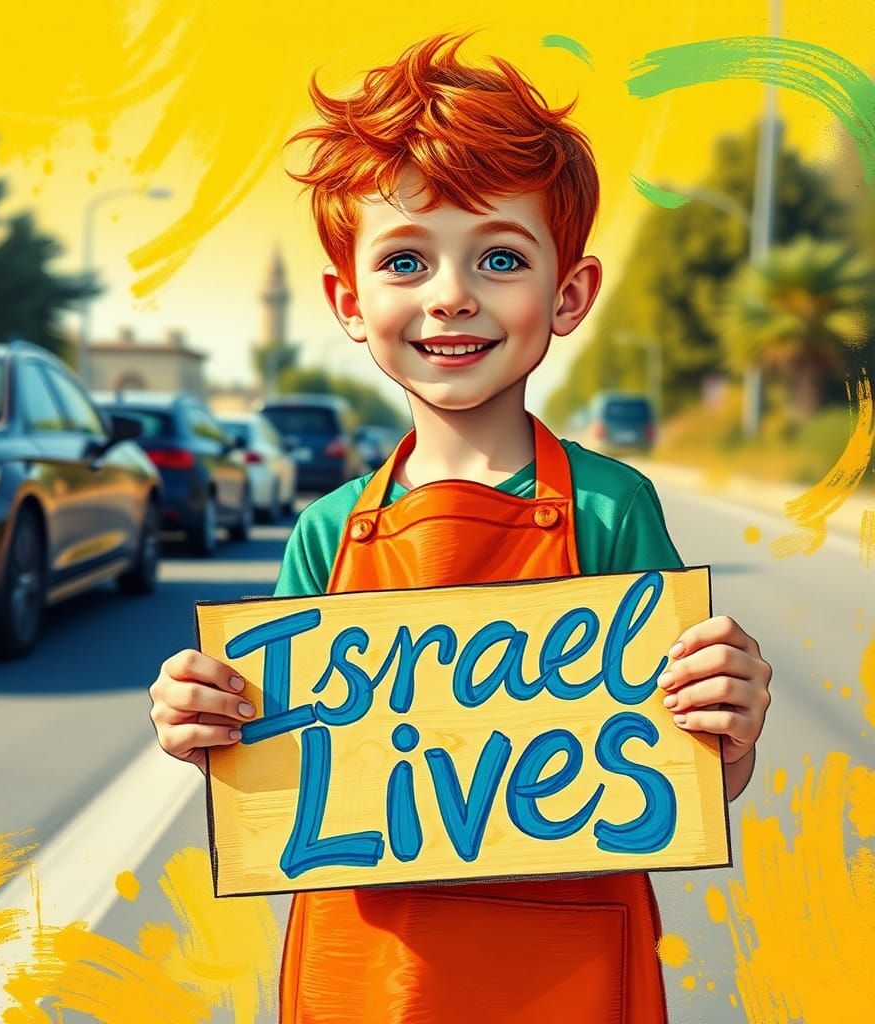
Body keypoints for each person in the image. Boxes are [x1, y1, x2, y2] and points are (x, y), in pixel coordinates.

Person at [148, 34, 772, 1023]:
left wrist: (729, 726)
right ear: (350, 302)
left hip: (567, 963)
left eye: (497, 256)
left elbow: (681, 772)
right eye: (406, 258)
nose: (451, 293)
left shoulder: (611, 507)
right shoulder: (325, 531)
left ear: (565, 294)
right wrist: (202, 720)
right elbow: (270, 761)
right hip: (366, 962)